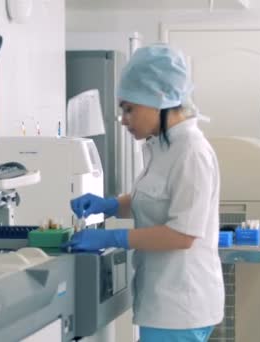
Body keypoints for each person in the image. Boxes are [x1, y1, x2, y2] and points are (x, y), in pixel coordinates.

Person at [66, 44, 224, 342]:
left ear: (159, 101)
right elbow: (153, 200)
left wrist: (113, 238)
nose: (123, 119)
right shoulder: (161, 147)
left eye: (129, 109)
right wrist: (110, 206)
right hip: (164, 301)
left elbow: (183, 235)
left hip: (181, 306)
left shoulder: (191, 152)